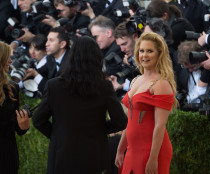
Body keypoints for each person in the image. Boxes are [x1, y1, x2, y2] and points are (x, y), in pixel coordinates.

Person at [32, 36, 127, 174]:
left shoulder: (54, 85)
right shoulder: (104, 86)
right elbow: (121, 122)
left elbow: (38, 120)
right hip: (95, 156)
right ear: (97, 58)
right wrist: (99, 130)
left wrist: (58, 134)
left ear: (71, 57)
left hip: (62, 155)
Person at [115, 32, 177, 174]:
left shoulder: (161, 84)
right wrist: (120, 149)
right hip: (132, 149)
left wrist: (153, 158)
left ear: (159, 54)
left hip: (153, 151)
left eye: (150, 51)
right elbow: (130, 121)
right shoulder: (136, 80)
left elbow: (160, 126)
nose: (144, 55)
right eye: (142, 51)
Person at [0, 41, 30, 174]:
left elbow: (16, 127)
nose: (10, 61)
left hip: (7, 154)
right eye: (8, 57)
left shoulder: (13, 88)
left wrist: (23, 125)